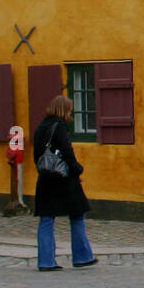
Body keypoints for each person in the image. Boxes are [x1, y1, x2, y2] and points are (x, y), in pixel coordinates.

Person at [32, 95, 96, 271]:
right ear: (64, 110)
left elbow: (37, 155)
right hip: (64, 180)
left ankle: (45, 261)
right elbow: (67, 153)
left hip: (45, 178)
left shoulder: (41, 126)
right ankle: (82, 256)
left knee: (46, 219)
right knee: (77, 215)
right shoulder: (59, 126)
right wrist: (77, 168)